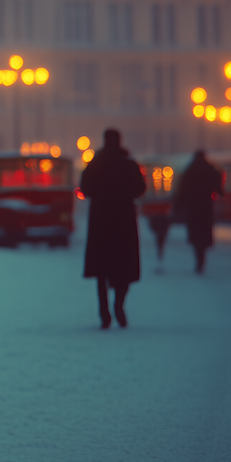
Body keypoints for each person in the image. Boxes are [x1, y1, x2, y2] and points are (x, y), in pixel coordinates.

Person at [80, 128, 146, 328]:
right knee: (123, 266)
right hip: (123, 221)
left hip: (101, 222)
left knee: (101, 270)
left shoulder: (95, 165)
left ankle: (104, 312)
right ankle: (119, 303)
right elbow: (140, 189)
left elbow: (85, 189)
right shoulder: (129, 165)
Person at [176, 149, 224, 274]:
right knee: (204, 233)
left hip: (193, 208)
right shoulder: (211, 170)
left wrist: (177, 208)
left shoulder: (189, 170)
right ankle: (202, 257)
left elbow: (182, 191)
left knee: (195, 235)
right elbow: (219, 187)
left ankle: (199, 258)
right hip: (206, 206)